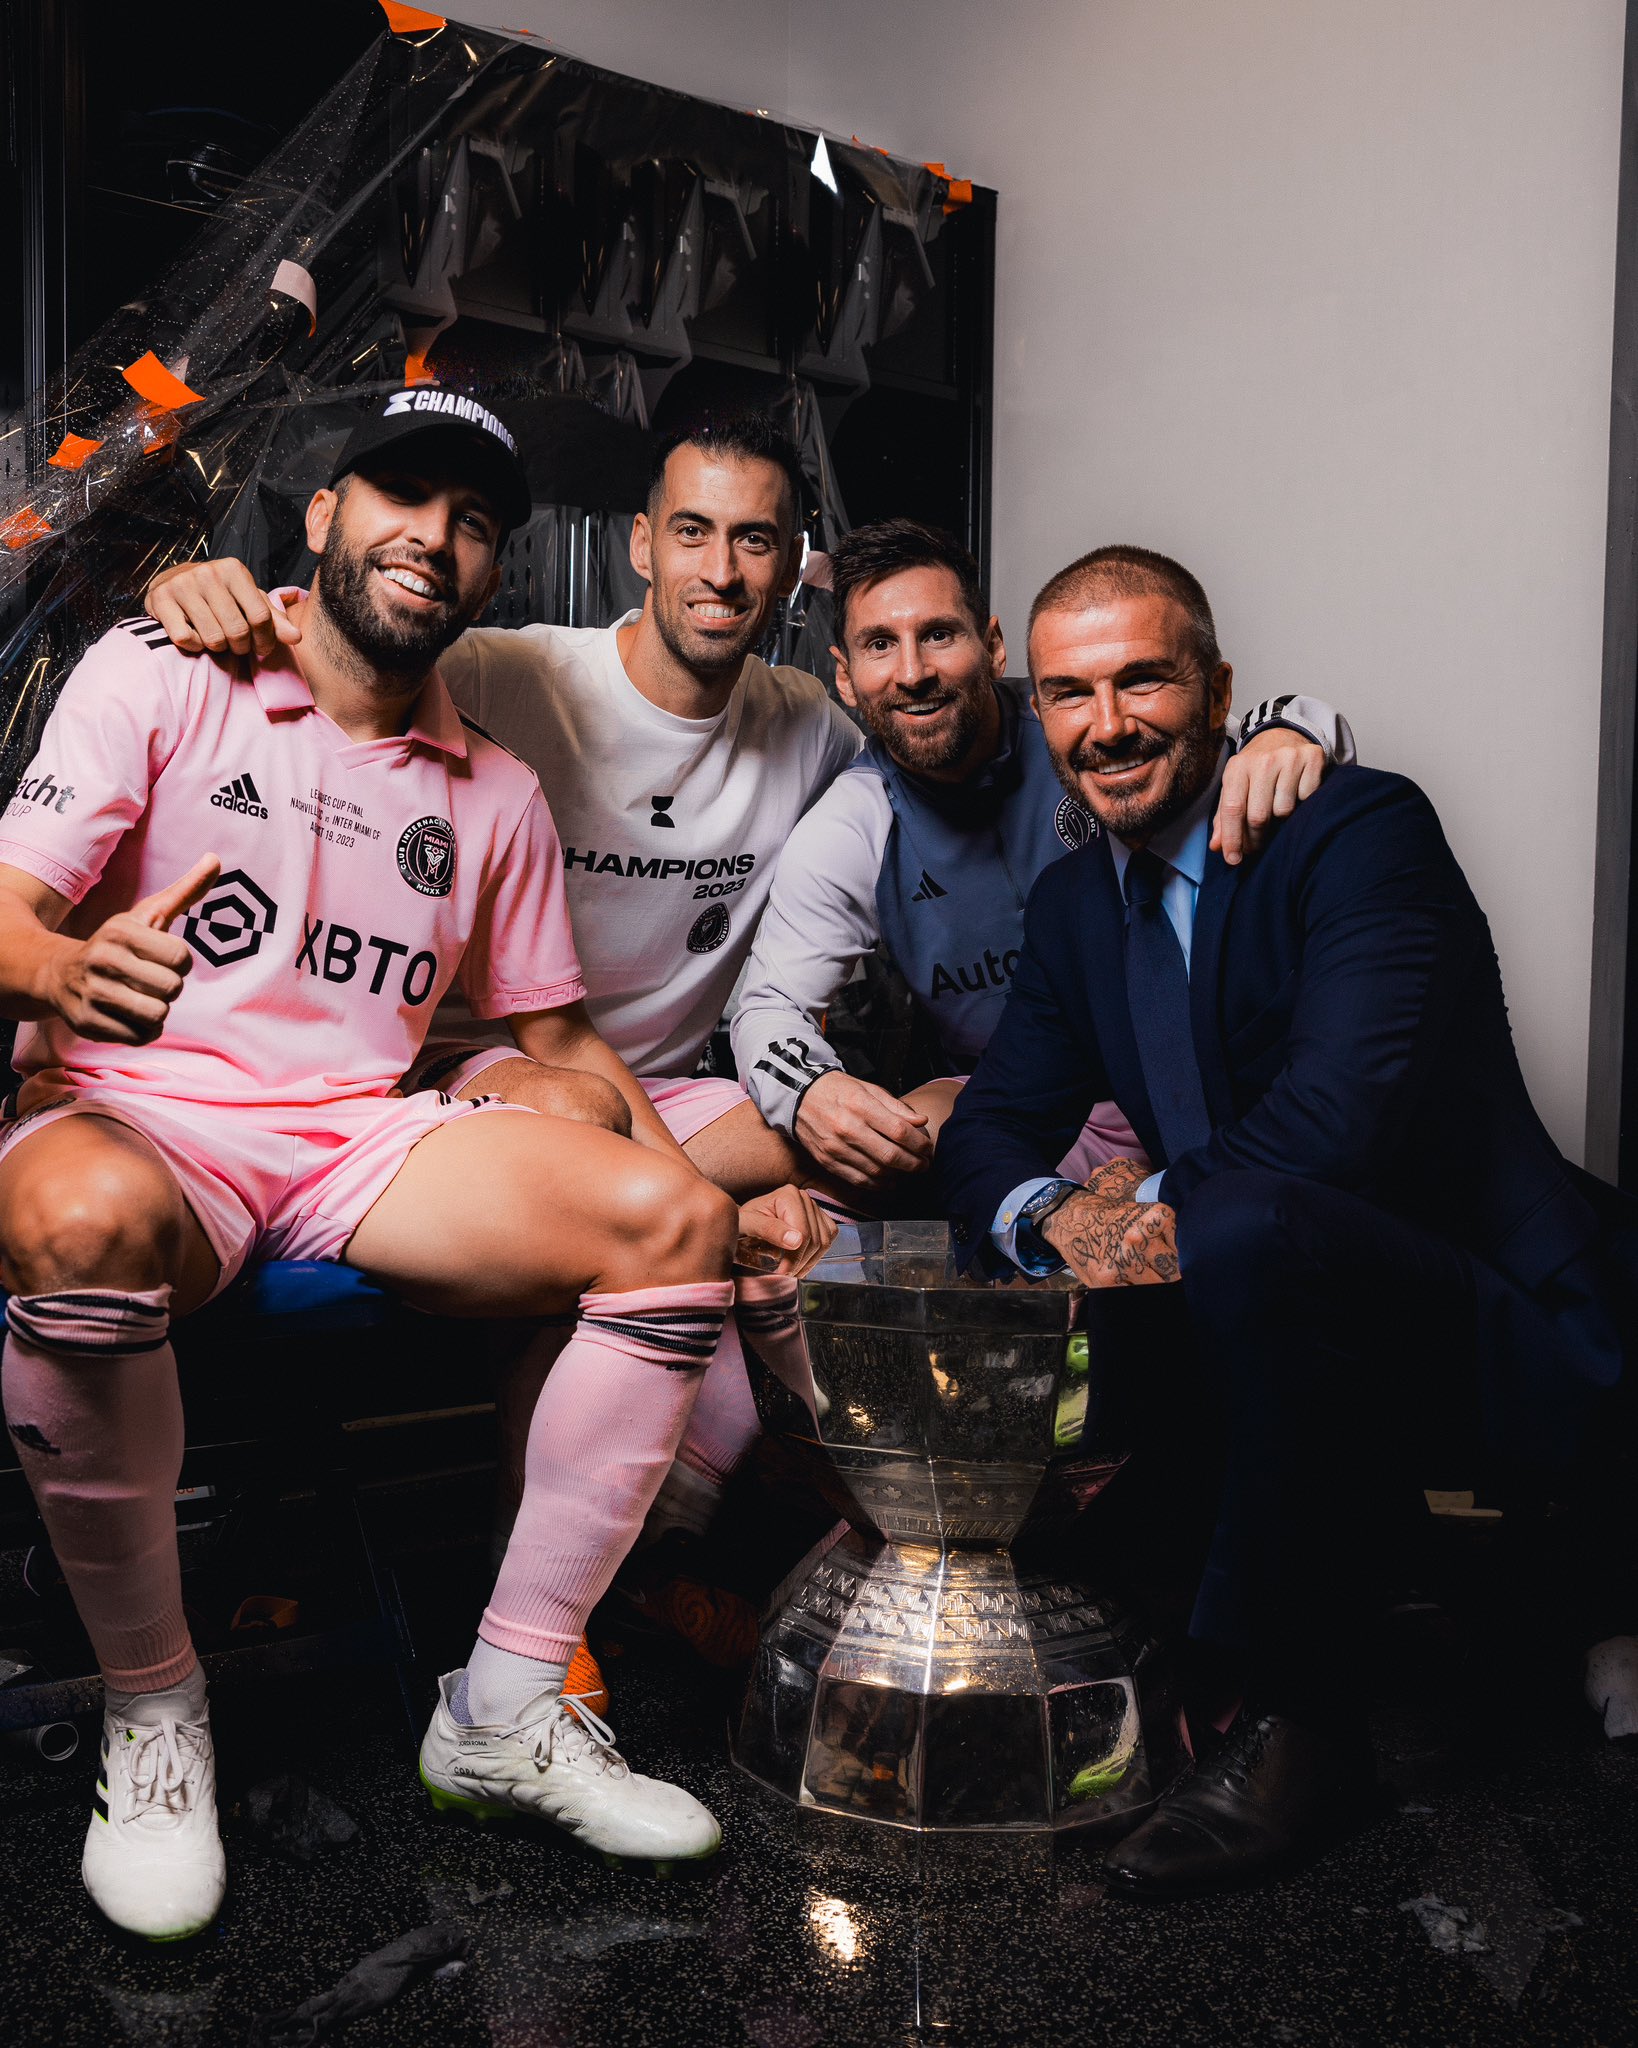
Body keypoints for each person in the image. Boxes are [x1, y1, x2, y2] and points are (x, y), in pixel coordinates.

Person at [0, 389, 820, 1940]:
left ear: (492, 569)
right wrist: (61, 973)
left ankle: (504, 1703)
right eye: (401, 496)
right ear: (322, 517)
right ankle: (154, 1708)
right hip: (146, 1120)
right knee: (81, 1216)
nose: (433, 537)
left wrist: (703, 1193)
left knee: (667, 1228)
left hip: (356, 1139)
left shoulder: (493, 787)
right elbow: (8, 909)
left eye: (473, 520)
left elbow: (558, 1034)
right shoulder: (164, 670)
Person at [937, 544, 1632, 1900]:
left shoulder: (1358, 830)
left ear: (1219, 692)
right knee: (1120, 1273)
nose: (1106, 723)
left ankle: (1304, 1720)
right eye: (1069, 693)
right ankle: (1166, 1645)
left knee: (1241, 1226)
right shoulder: (1077, 903)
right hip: (1276, 1316)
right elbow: (987, 1132)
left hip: (1502, 1324)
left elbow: (1334, 1128)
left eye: (1143, 679)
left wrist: (1126, 1219)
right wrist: (1047, 1214)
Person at [144, 413, 846, 1649]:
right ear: (641, 544)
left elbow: (943, 756)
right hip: (447, 1070)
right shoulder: (509, 672)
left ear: (794, 566)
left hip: (646, 1080)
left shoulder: (810, 725)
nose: (721, 569)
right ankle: (537, 1604)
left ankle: (698, 1543)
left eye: (755, 541)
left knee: (825, 1147)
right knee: (594, 1141)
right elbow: (337, 642)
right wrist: (193, 593)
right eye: (692, 531)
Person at [733, 519, 1352, 1201]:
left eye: (939, 634)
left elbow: (1233, 728)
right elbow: (769, 1006)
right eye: (880, 645)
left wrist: (1291, 728)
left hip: (1201, 1072)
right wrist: (811, 1092)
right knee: (877, 1153)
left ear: (993, 646)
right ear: (845, 678)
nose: (913, 673)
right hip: (1024, 1106)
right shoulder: (852, 825)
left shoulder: (1082, 722)